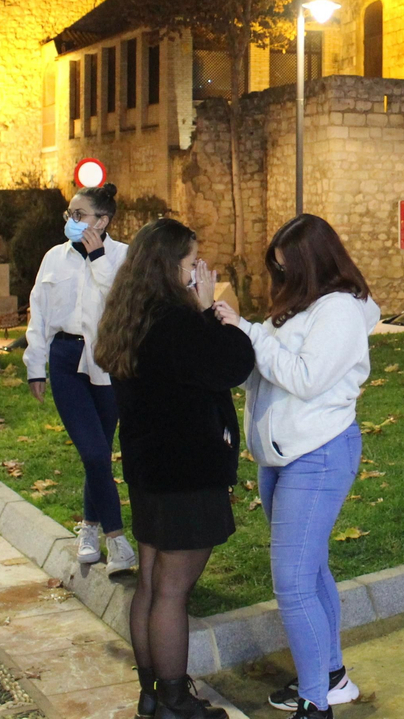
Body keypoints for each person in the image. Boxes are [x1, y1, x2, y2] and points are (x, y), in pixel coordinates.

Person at [215, 214, 380, 719]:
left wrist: (248, 332)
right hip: (282, 458)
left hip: (318, 455)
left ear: (314, 264)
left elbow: (305, 378)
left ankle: (316, 702)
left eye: (288, 270)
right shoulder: (296, 307)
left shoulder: (341, 311)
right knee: (309, 573)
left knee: (291, 583)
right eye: (277, 270)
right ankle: (330, 676)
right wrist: (227, 340)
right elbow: (263, 376)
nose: (281, 280)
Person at [95, 219, 254, 719]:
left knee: (149, 582)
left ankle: (152, 693)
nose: (198, 271)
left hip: (148, 469)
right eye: (191, 263)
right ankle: (175, 701)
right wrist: (212, 310)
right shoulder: (177, 321)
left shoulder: (130, 315)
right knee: (171, 590)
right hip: (187, 471)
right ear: (168, 266)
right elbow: (232, 364)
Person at [23, 183, 134, 574]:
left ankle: (88, 527)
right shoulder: (54, 258)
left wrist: (98, 257)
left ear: (103, 221)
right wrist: (35, 364)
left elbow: (121, 303)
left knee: (100, 451)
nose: (70, 221)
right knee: (93, 452)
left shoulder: (122, 256)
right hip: (66, 358)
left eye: (79, 215)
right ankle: (117, 539)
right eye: (69, 214)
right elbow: (38, 313)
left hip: (106, 361)